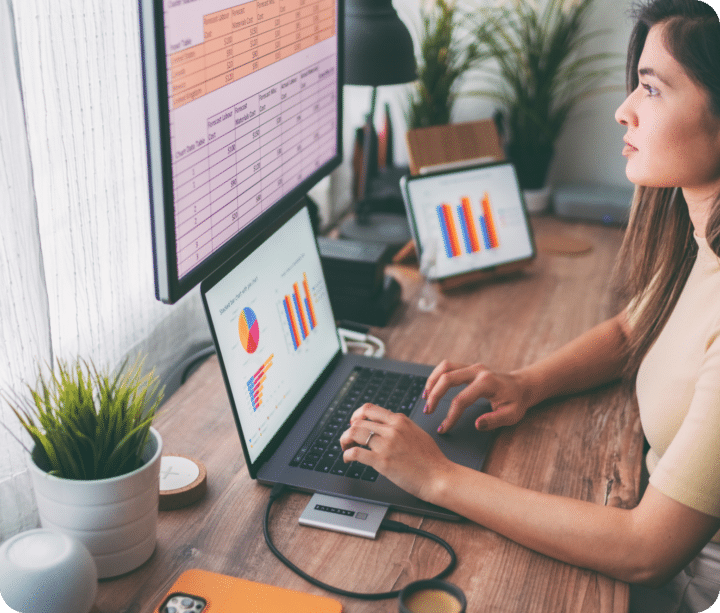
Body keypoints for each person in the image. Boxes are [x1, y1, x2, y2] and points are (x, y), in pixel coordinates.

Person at [339, 0, 720, 610]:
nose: (624, 110)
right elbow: (632, 331)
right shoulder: (703, 241)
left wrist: (440, 477)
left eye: (651, 90)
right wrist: (527, 382)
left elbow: (647, 548)